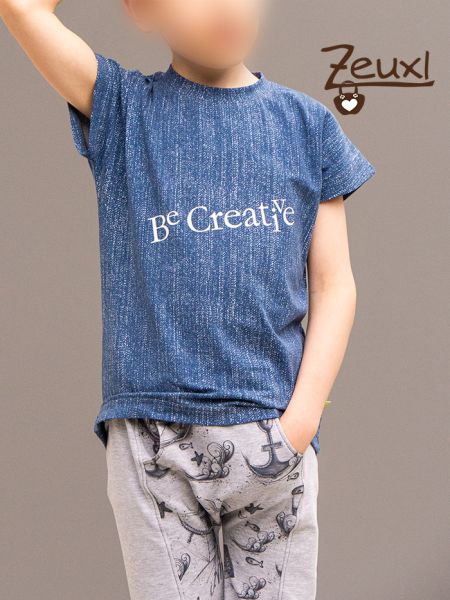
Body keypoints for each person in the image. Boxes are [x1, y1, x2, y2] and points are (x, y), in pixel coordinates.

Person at [1, 0, 376, 598]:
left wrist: (300, 424)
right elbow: (22, 8)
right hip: (155, 442)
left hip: (273, 433)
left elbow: (335, 286)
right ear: (141, 8)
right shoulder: (124, 109)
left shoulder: (309, 127)